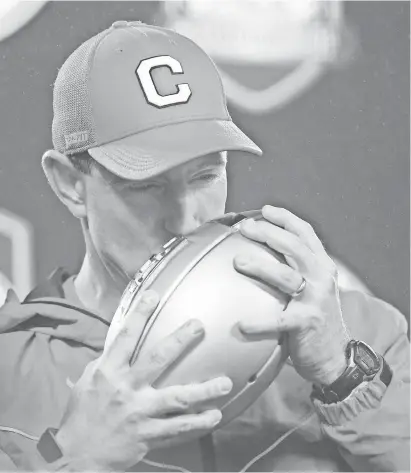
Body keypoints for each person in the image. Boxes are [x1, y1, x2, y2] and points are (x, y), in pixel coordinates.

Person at [0, 20, 409, 472]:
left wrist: (344, 377)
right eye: (146, 185)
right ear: (69, 183)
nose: (185, 217)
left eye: (205, 176)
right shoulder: (10, 372)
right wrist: (73, 457)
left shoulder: (356, 334)